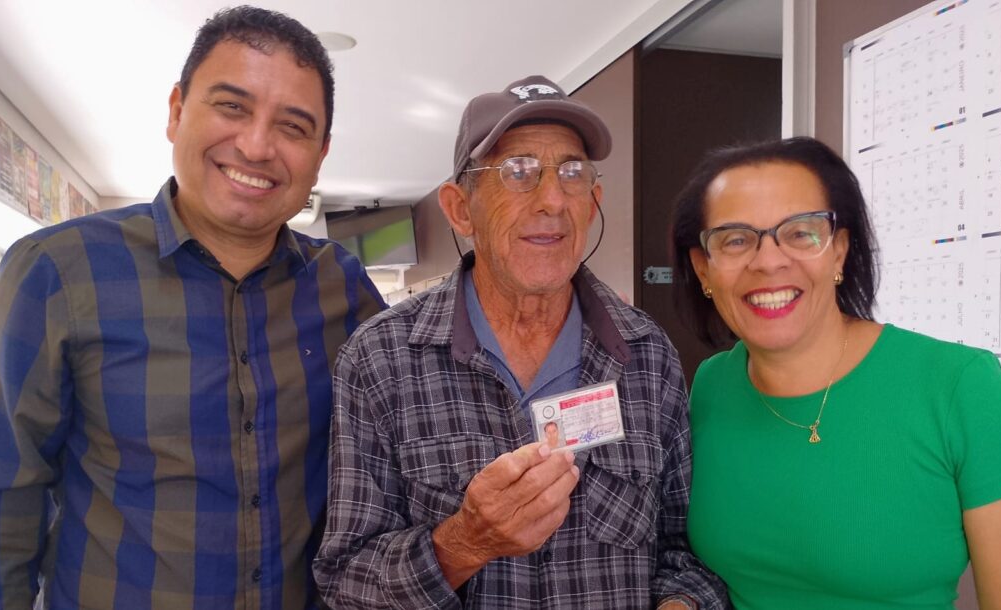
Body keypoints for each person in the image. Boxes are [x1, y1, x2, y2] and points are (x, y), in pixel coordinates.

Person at [0, 6, 384, 609]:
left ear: (321, 152)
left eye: (293, 126)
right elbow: (4, 495)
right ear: (177, 111)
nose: (256, 145)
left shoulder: (344, 286)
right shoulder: (57, 272)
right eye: (232, 106)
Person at [312, 75, 729, 609]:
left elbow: (687, 553)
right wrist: (465, 542)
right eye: (518, 171)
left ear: (593, 203)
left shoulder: (647, 355)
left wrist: (680, 603)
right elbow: (346, 581)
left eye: (572, 173)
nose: (553, 199)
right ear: (461, 209)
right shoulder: (380, 359)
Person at [669, 136, 1001, 609]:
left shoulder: (961, 386)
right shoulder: (711, 385)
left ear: (839, 251)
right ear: (703, 269)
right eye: (735, 240)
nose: (768, 260)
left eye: (800, 233)